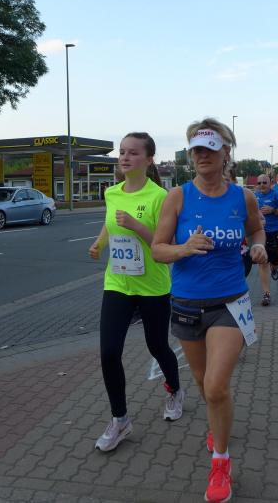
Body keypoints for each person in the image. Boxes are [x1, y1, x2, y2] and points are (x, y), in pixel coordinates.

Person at [152, 118, 267, 503]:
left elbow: (256, 229)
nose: (202, 156)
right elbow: (157, 249)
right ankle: (217, 424)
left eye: (209, 149)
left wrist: (257, 245)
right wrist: (184, 248)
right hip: (186, 304)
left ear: (225, 153)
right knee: (204, 384)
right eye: (196, 150)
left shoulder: (242, 198)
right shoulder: (178, 197)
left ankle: (221, 461)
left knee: (216, 386)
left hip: (230, 302)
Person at [88, 132, 183, 452]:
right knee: (108, 351)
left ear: (149, 159)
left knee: (157, 345)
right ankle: (120, 420)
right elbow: (110, 222)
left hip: (153, 285)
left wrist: (136, 225)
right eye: (122, 152)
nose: (125, 157)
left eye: (133, 152)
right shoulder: (112, 192)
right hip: (118, 283)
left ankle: (175, 390)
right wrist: (99, 243)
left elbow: (166, 243)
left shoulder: (160, 197)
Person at [254, 174, 278, 306]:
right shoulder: (254, 197)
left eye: (264, 182)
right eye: (259, 183)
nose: (262, 185)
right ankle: (266, 294)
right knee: (263, 263)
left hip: (276, 234)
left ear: (270, 183)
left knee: (275, 261)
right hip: (260, 234)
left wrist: (273, 210)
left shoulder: (276, 195)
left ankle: (274, 268)